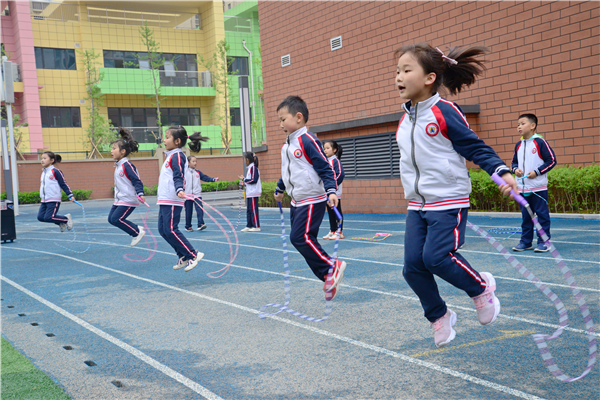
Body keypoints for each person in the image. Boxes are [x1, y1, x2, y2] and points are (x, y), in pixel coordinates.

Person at [394, 43, 518, 348]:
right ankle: (439, 315)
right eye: (397, 71)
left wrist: (501, 171)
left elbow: (474, 147)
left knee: (436, 257)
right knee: (412, 266)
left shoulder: (444, 111)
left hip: (449, 201)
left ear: (429, 78)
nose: (398, 76)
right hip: (417, 205)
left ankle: (480, 288)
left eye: (406, 70)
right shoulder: (405, 118)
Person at [274, 96, 346, 301]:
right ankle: (327, 275)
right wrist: (280, 188)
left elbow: (324, 168)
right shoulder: (286, 145)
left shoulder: (308, 140)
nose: (280, 125)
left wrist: (331, 190)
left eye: (282, 119)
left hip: (312, 198)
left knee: (300, 238)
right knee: (304, 240)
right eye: (278, 121)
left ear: (298, 117)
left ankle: (332, 267)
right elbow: (287, 172)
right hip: (296, 201)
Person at [157, 126, 208, 272]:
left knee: (171, 229)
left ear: (177, 141)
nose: (164, 140)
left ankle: (193, 254)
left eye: (167, 137)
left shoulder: (177, 156)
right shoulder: (171, 155)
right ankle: (184, 256)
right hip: (165, 199)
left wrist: (179, 189)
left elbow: (178, 175)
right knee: (163, 230)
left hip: (173, 199)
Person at [511, 113, 556, 253]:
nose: (519, 126)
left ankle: (544, 242)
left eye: (522, 123)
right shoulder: (518, 145)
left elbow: (552, 161)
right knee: (526, 217)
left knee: (542, 216)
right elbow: (514, 162)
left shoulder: (540, 142)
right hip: (523, 188)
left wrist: (537, 172)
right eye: (518, 124)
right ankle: (526, 242)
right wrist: (515, 169)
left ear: (533, 125)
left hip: (538, 187)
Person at [108, 127, 147, 247]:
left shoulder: (127, 165)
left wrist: (140, 193)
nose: (111, 151)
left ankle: (136, 232)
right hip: (119, 199)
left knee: (116, 219)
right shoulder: (119, 166)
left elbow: (137, 181)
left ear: (123, 151)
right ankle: (135, 228)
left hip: (128, 199)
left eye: (114, 149)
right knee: (111, 219)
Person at [38, 151, 75, 231]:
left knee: (49, 217)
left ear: (52, 160)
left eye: (45, 158)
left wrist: (70, 195)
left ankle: (66, 219)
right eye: (41, 159)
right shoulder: (43, 173)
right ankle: (60, 222)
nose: (42, 160)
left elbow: (63, 184)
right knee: (40, 217)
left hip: (53, 199)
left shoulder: (56, 171)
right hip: (44, 200)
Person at [184, 155, 218, 232]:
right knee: (188, 211)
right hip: (188, 195)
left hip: (197, 194)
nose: (195, 163)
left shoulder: (198, 172)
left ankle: (200, 224)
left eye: (196, 161)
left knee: (199, 209)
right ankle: (188, 226)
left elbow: (205, 177)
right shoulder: (184, 172)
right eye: (193, 161)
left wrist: (213, 179)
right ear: (188, 163)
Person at [322, 140, 345, 240]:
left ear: (334, 150)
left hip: (335, 192)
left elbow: (340, 174)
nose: (325, 150)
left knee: (337, 211)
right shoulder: (325, 162)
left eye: (327, 148)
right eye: (324, 148)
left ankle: (340, 232)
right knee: (330, 212)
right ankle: (333, 230)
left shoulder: (336, 161)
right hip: (327, 192)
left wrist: (333, 187)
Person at [239, 152, 262, 232]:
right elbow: (250, 181)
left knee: (253, 210)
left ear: (247, 160)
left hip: (253, 193)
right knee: (249, 210)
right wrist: (244, 182)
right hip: (250, 193)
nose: (244, 161)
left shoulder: (253, 168)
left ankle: (256, 226)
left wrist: (244, 180)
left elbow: (254, 180)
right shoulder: (250, 169)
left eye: (245, 159)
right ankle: (249, 225)